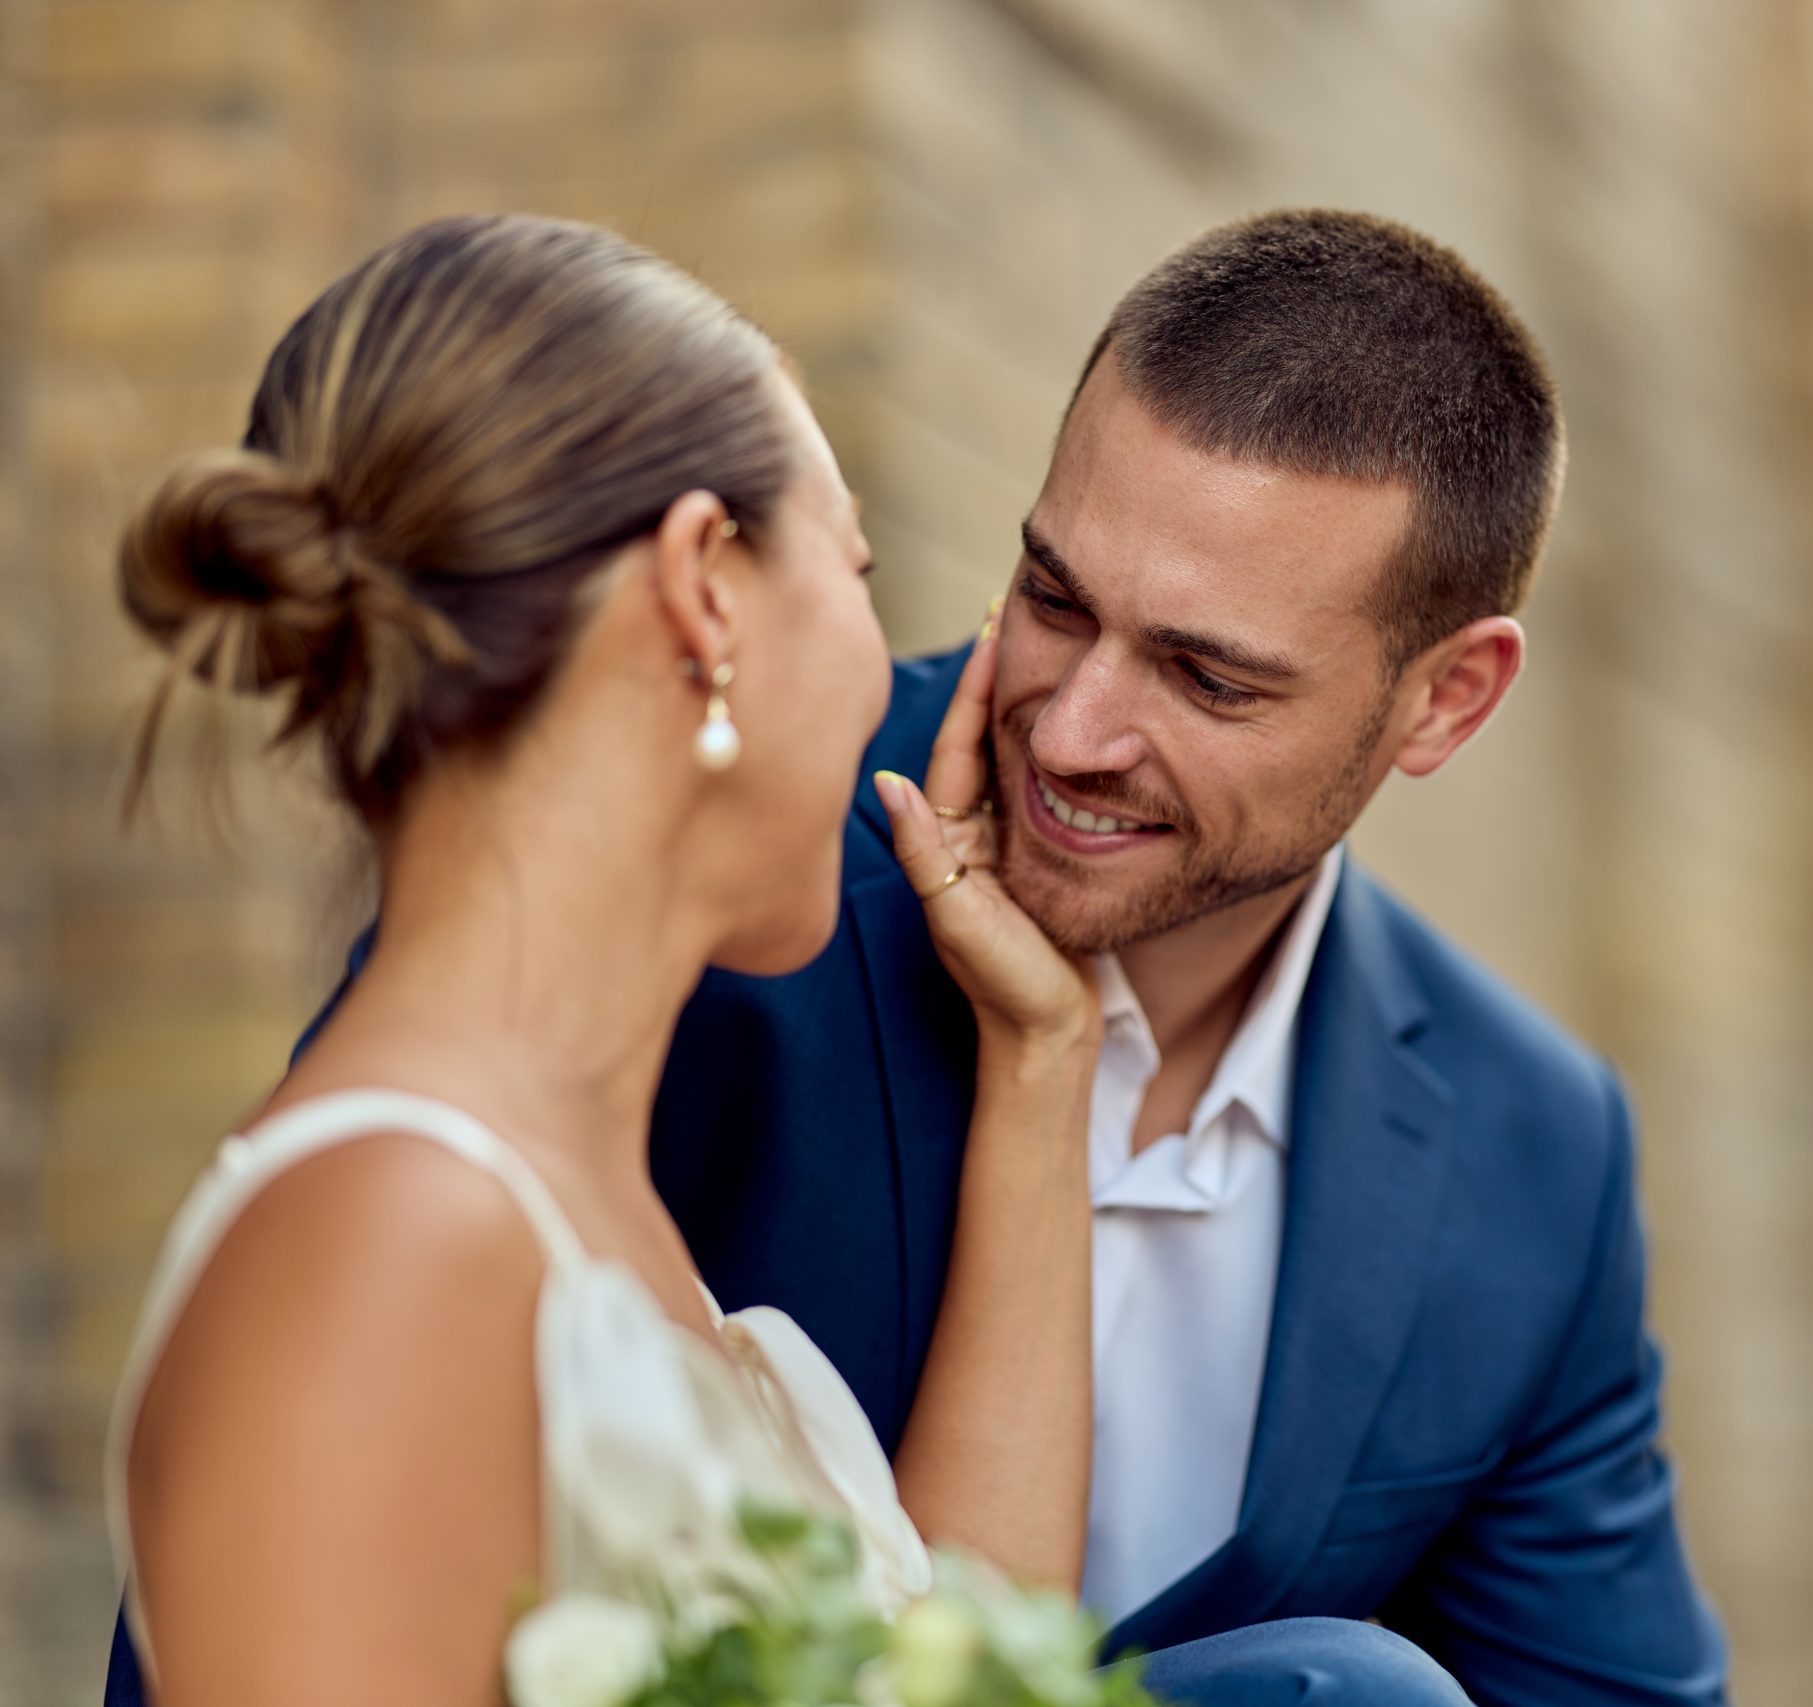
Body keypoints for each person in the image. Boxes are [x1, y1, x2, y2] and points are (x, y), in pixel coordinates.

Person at [235, 208, 1726, 1707]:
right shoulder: (702, 878)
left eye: (1208, 677)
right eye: (1053, 598)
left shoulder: (1536, 1150)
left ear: (1446, 702)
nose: (1070, 732)